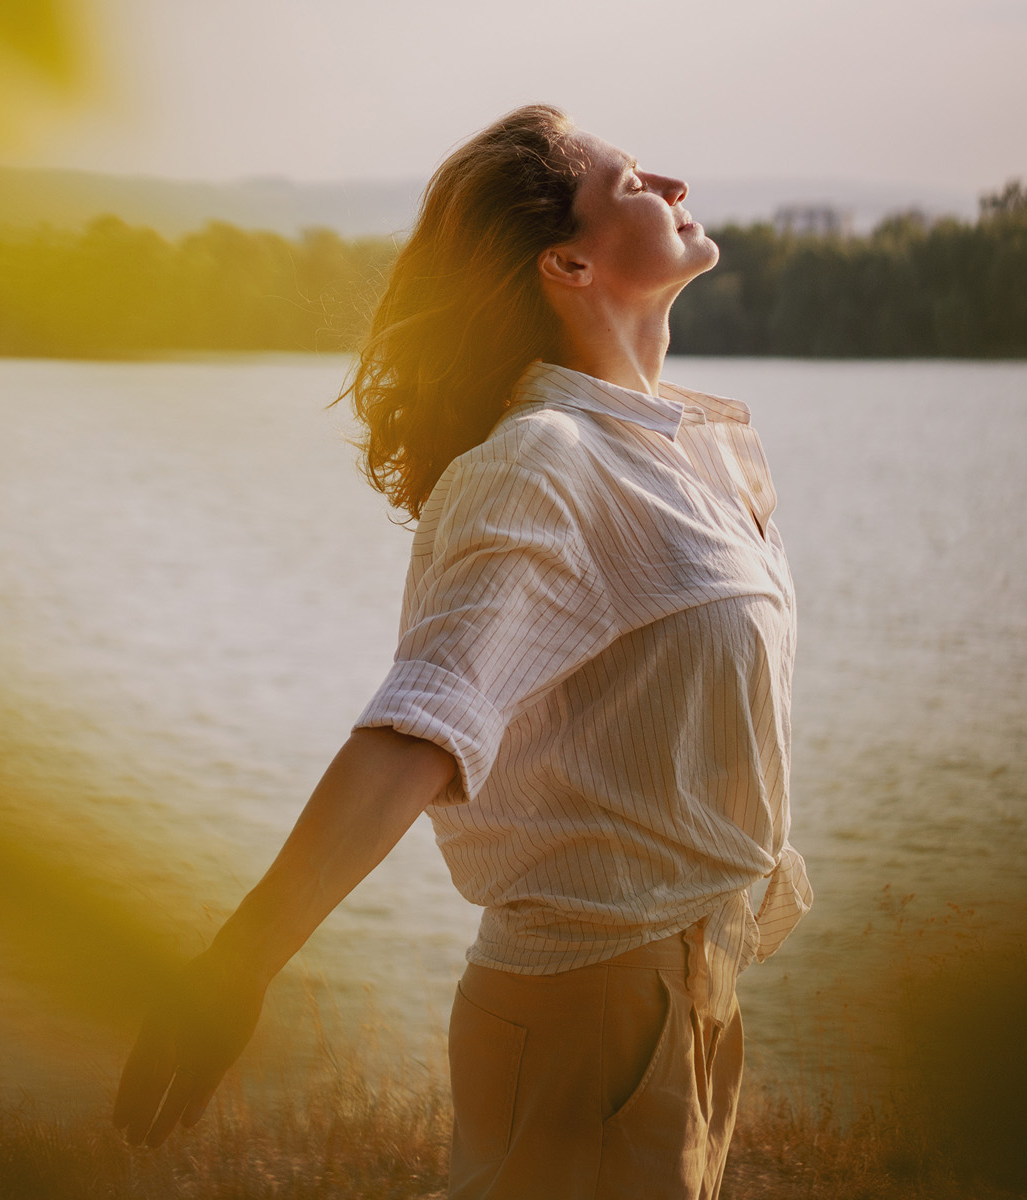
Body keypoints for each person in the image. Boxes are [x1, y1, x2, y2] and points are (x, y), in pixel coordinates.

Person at [112, 104, 811, 1200]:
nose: (673, 182)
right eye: (630, 179)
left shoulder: (688, 454)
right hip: (591, 1010)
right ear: (567, 260)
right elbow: (423, 723)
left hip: (691, 991)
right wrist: (239, 963)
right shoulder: (544, 461)